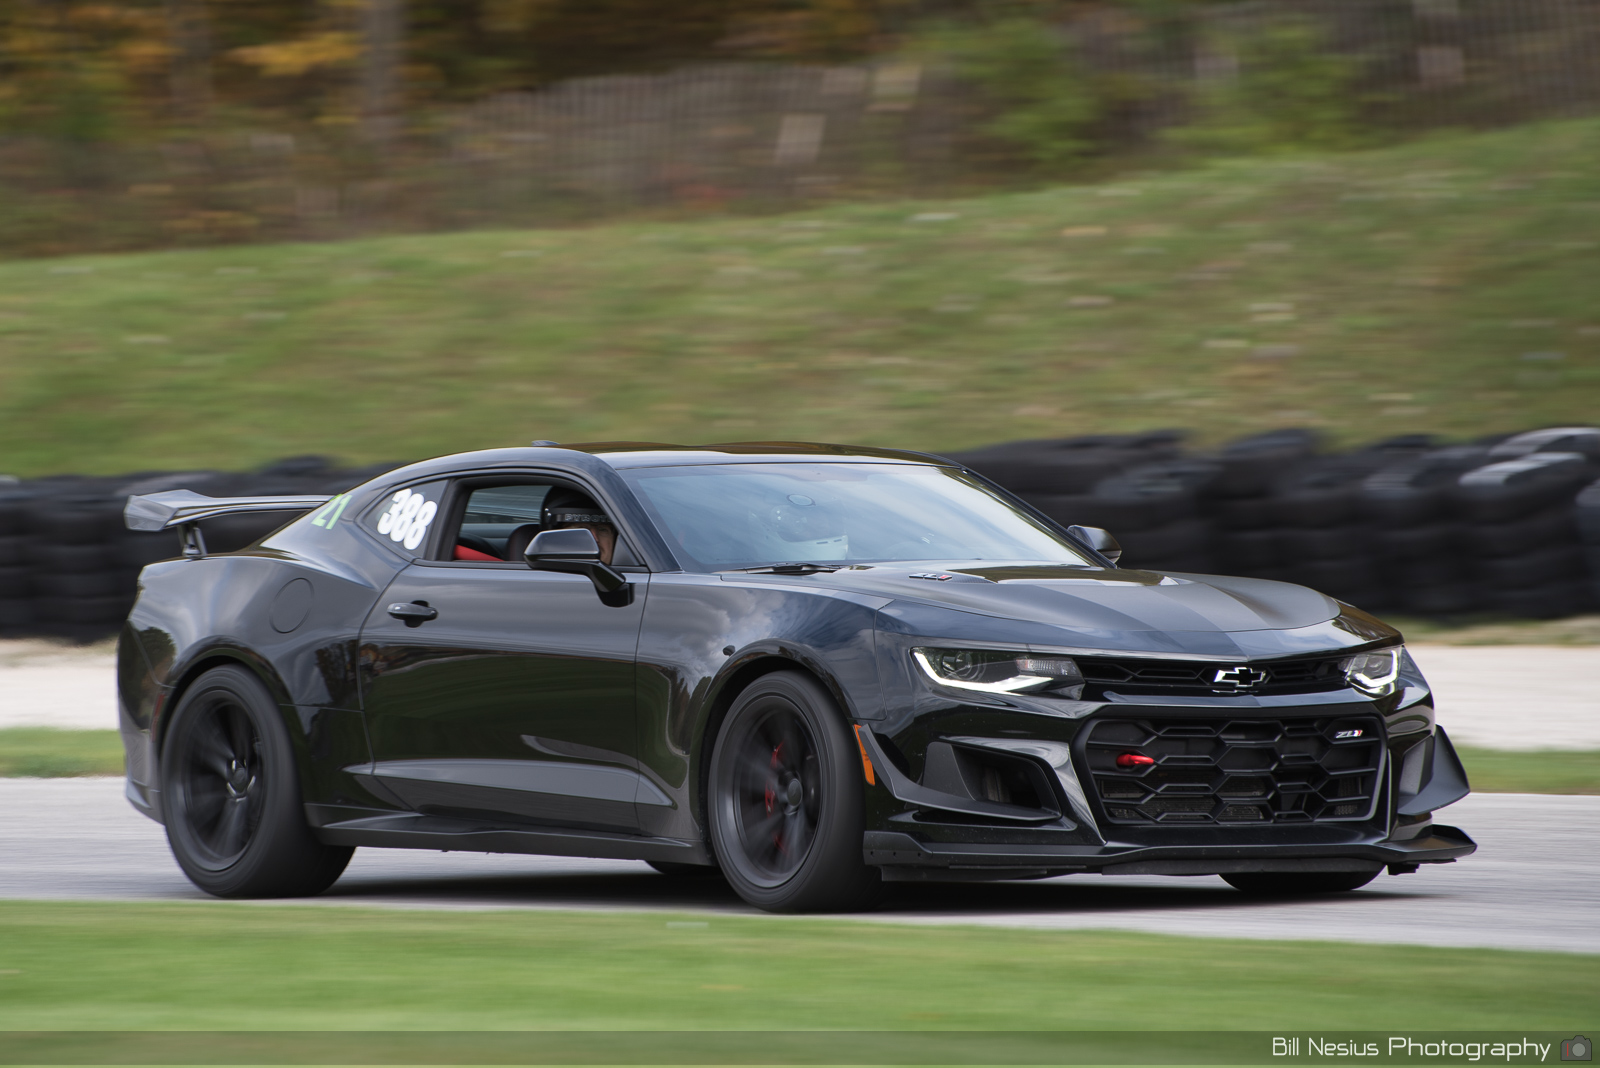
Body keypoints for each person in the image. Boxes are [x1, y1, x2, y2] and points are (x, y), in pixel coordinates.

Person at [539, 487, 617, 565]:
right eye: (581, 529)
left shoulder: (627, 575)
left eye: (602, 529)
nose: (594, 538)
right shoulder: (543, 576)